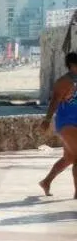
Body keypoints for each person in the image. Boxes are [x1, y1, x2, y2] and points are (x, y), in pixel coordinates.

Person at [39, 52, 77, 198]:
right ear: (72, 65)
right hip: (67, 123)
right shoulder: (64, 81)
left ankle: (46, 182)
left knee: (69, 158)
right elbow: (54, 101)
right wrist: (47, 120)